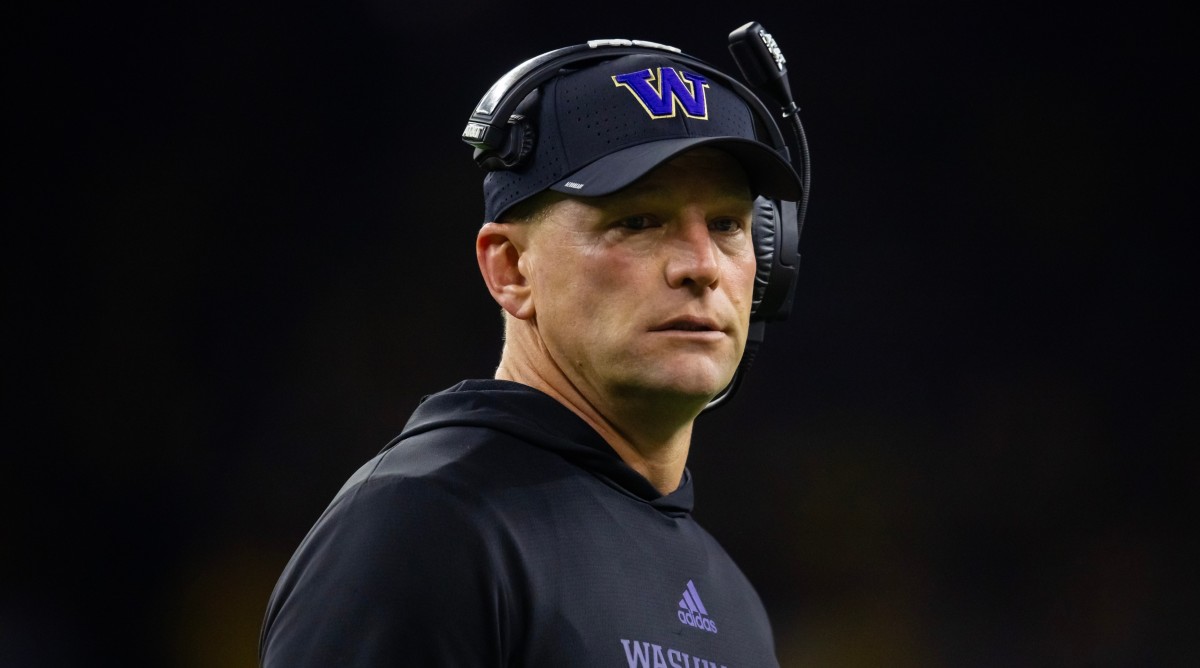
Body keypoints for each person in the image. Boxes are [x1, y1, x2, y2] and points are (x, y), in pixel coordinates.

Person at [260, 32, 807, 668]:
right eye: (636, 221)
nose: (700, 266)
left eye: (726, 225)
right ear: (512, 270)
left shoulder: (733, 601)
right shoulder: (424, 527)